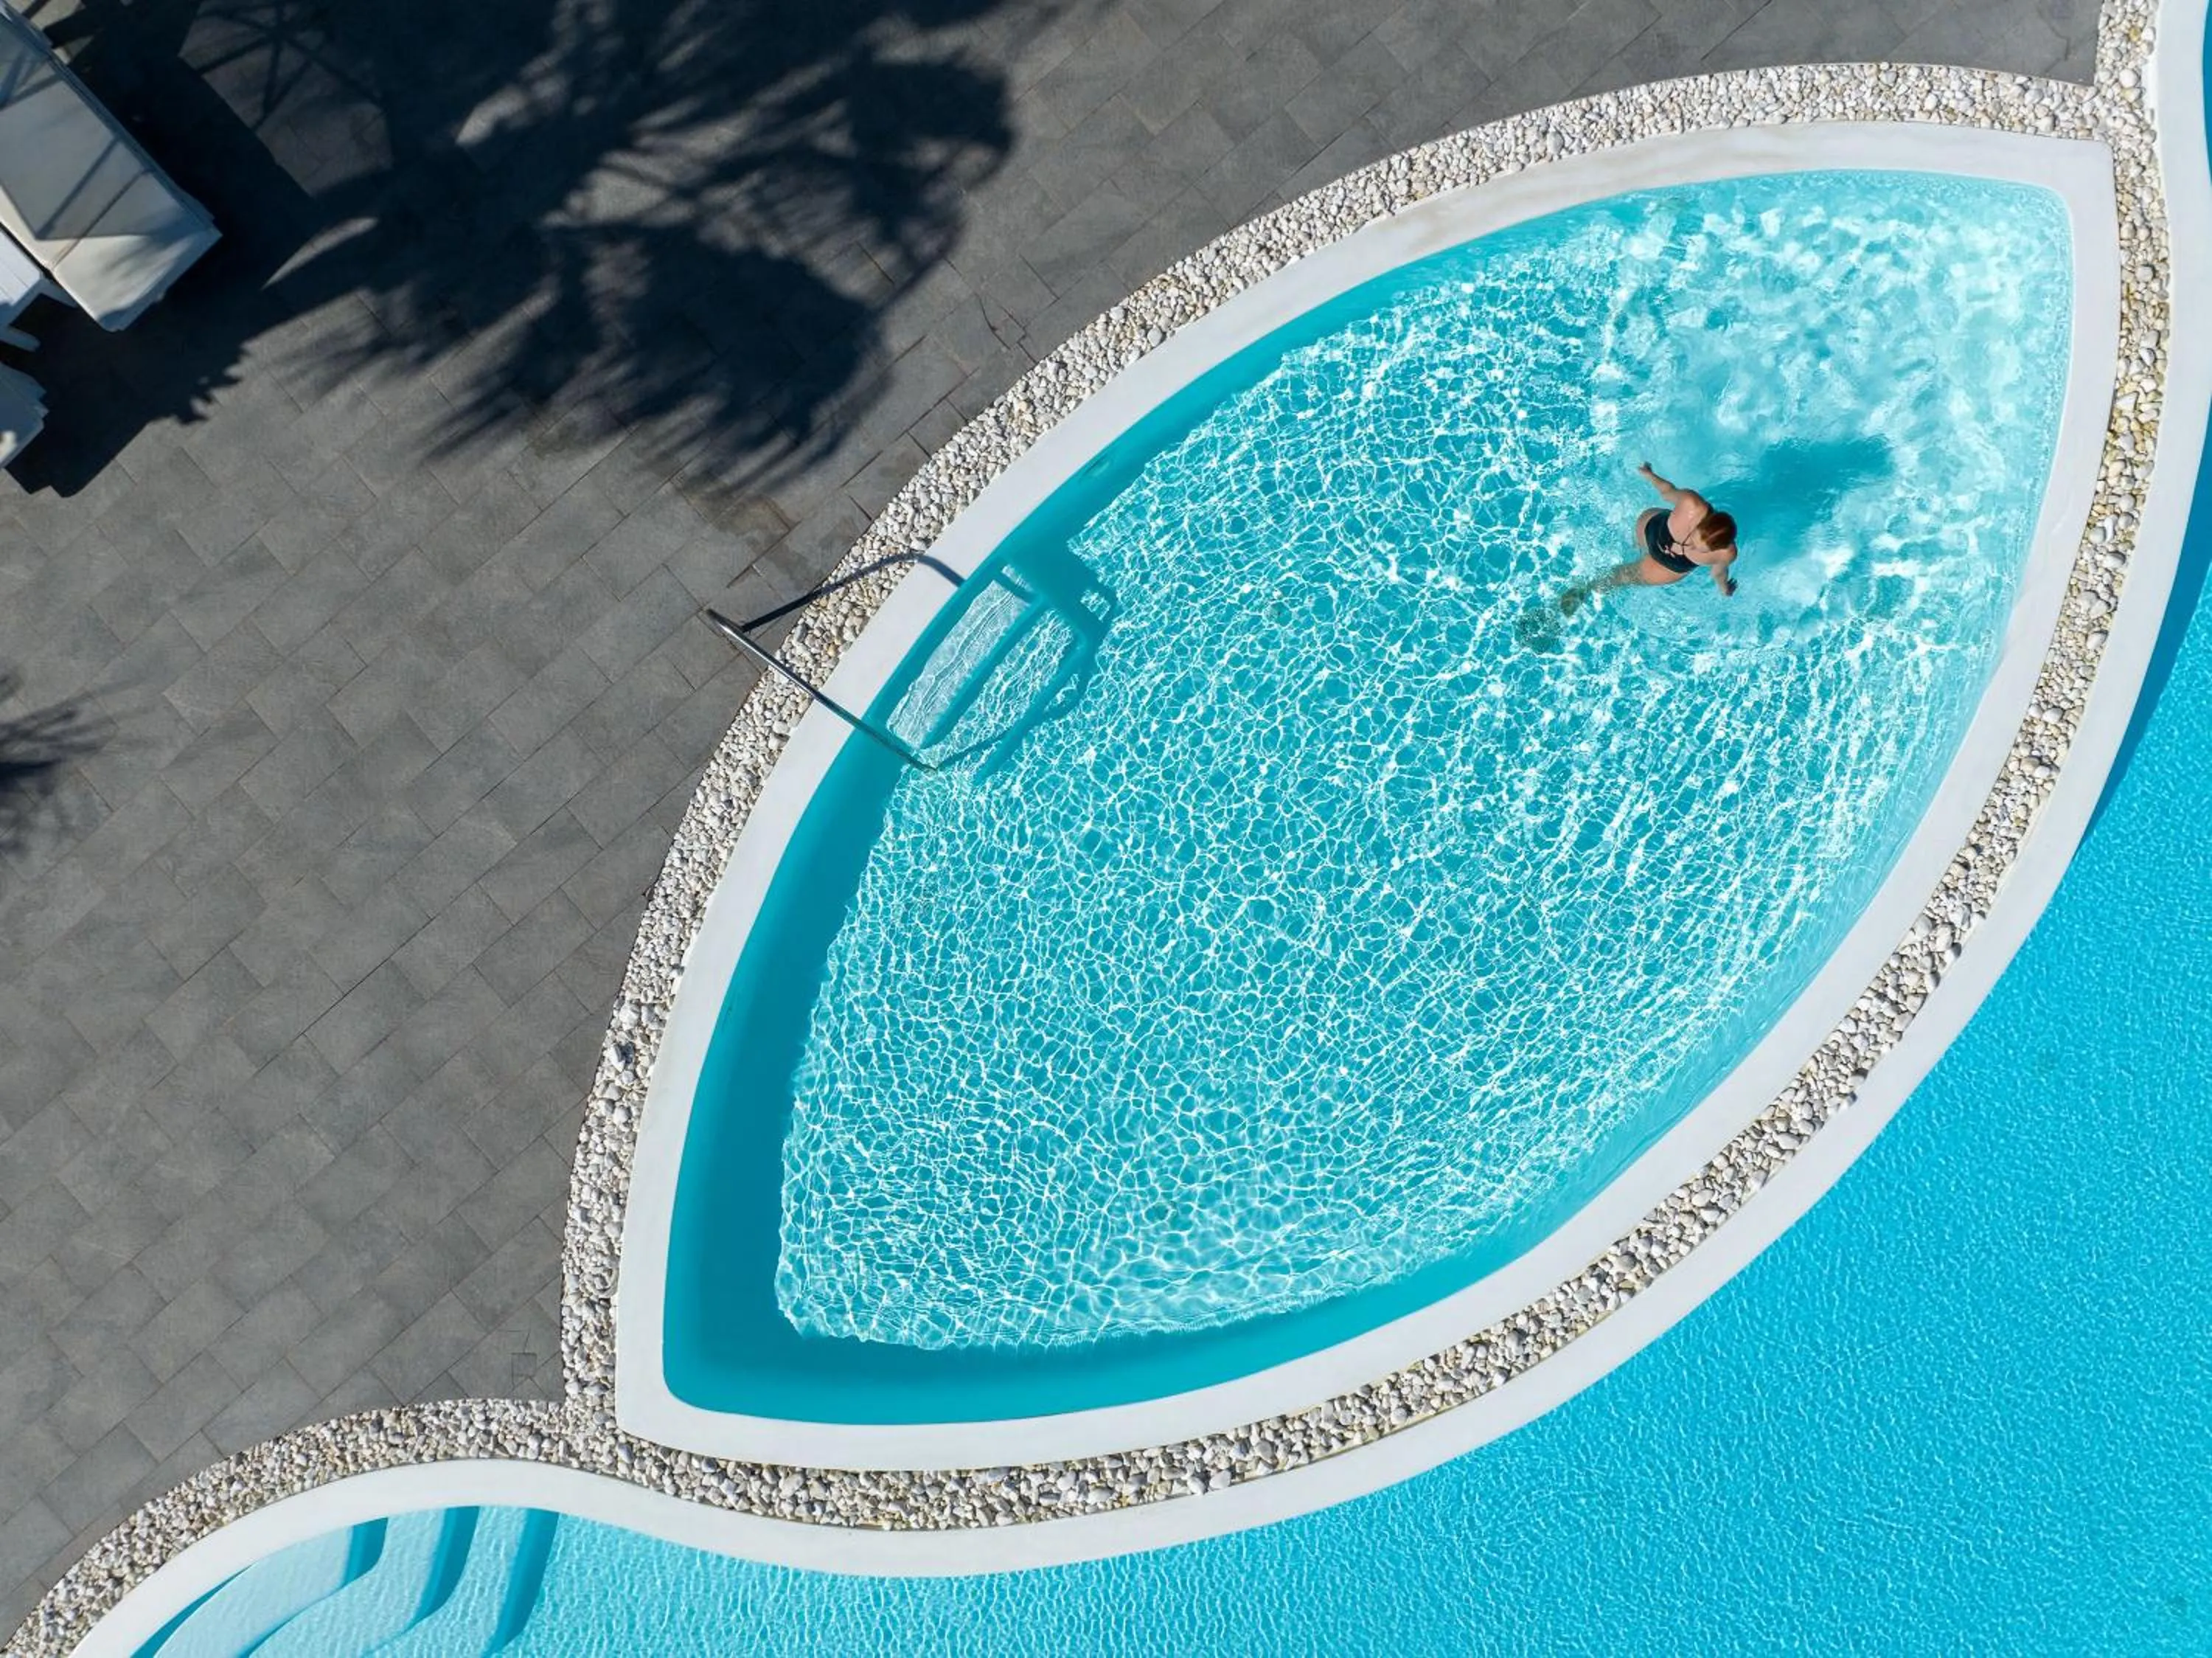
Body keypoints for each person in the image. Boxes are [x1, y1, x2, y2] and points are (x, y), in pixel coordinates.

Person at [1559, 461, 1739, 614]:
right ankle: (1635, 550)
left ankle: (1583, 590)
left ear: (1718, 548)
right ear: (1703, 522)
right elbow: (1668, 491)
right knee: (1632, 550)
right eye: (1694, 537)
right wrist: (1650, 475)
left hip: (1667, 566)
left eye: (1700, 549)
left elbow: (1719, 572)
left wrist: (1724, 588)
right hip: (1651, 532)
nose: (1690, 545)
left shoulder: (1727, 553)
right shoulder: (1691, 504)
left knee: (1622, 577)